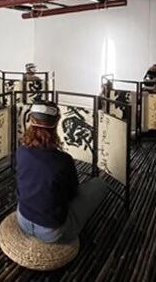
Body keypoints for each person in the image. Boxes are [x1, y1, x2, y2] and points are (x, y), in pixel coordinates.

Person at [16, 102, 108, 244]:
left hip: (22, 219)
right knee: (99, 184)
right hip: (51, 232)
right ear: (57, 123)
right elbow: (72, 193)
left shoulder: (21, 151)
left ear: (31, 120)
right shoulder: (63, 160)